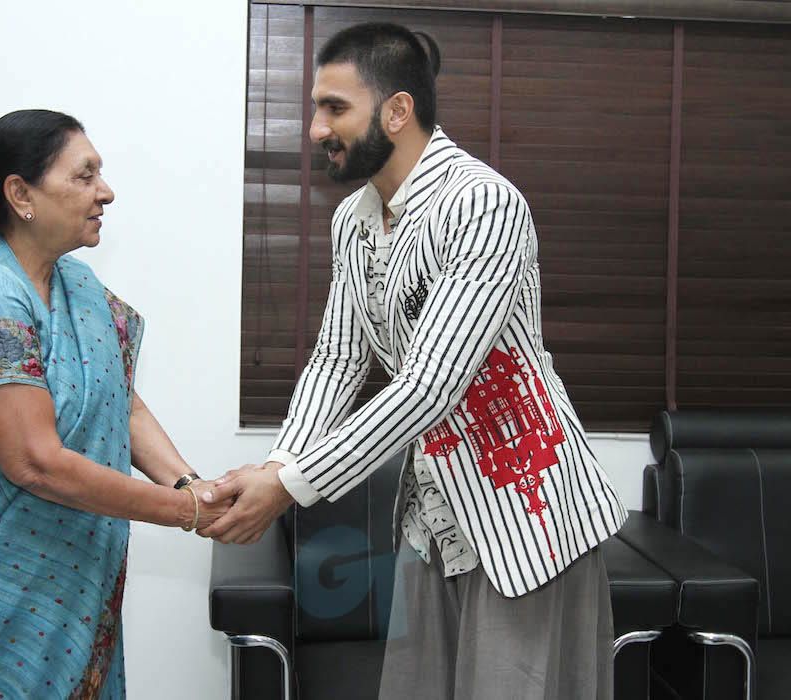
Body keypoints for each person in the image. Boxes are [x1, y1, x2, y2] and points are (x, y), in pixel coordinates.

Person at [200, 23, 626, 699]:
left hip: (528, 520)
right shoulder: (356, 220)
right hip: (435, 521)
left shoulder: (481, 203)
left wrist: (290, 487)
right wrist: (279, 463)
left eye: (334, 107)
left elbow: (431, 384)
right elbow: (338, 359)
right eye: (316, 107)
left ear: (398, 111)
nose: (315, 128)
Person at [0, 109, 228, 698]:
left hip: (65, 571)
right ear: (21, 194)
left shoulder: (78, 286)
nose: (106, 192)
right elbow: (34, 461)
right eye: (85, 175)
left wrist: (193, 488)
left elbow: (120, 401)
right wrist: (183, 513)